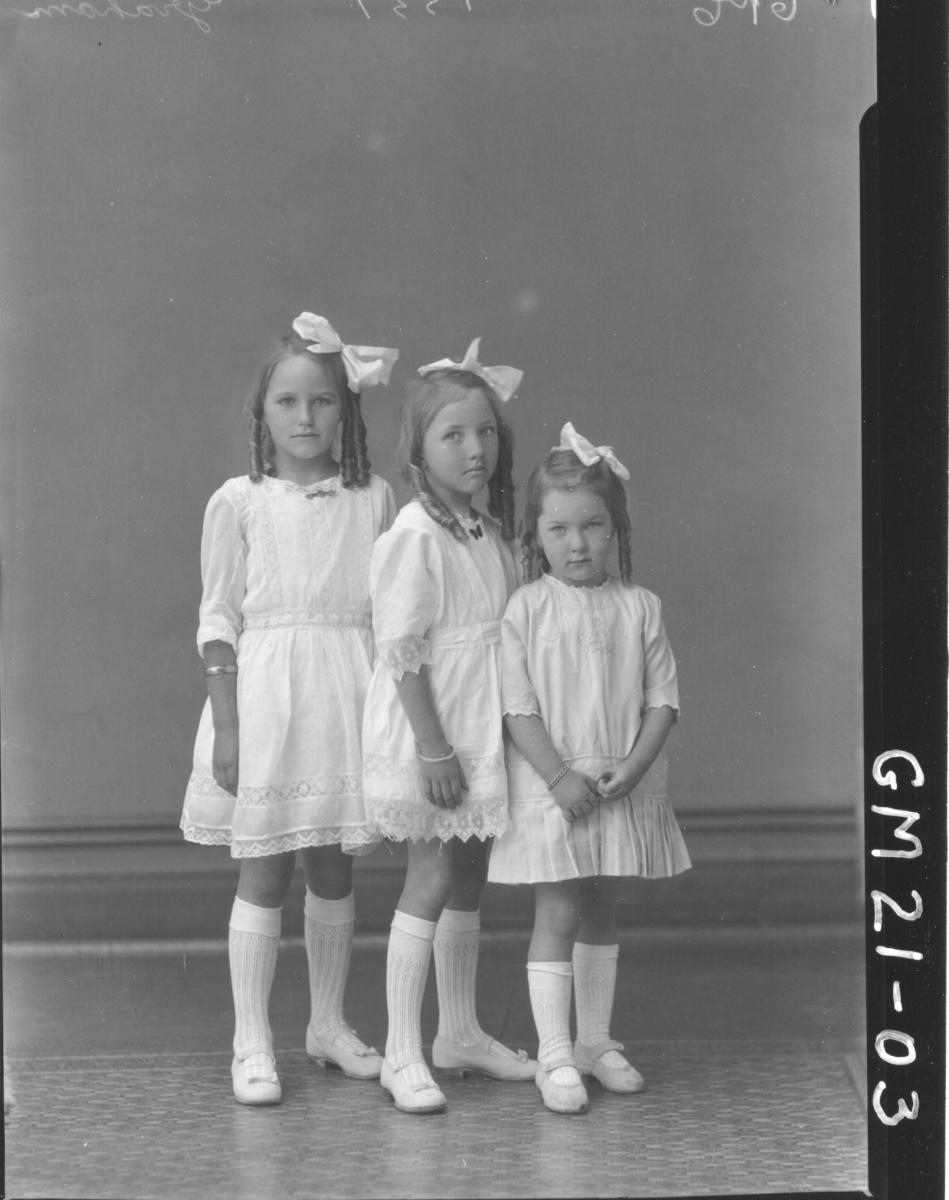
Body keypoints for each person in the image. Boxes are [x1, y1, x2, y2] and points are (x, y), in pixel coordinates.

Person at [180, 312, 399, 1106]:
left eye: (322, 401)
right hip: (267, 701)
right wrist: (229, 724)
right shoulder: (238, 502)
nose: (305, 418)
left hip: (346, 695)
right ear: (261, 413)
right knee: (265, 868)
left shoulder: (373, 498)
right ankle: (251, 1040)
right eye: (287, 402)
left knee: (334, 866)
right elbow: (217, 619)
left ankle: (328, 1024)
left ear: (346, 410)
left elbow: (389, 612)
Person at [487, 422, 691, 1115]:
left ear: (615, 529)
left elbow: (662, 700)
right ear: (536, 535)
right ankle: (552, 1054)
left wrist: (632, 769)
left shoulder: (640, 607)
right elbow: (517, 709)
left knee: (601, 905)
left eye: (592, 526)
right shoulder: (526, 609)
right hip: (555, 785)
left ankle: (594, 1042)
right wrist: (557, 778)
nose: (576, 544)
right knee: (559, 907)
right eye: (559, 529)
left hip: (618, 782)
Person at [362, 339, 536, 1114]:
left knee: (468, 875)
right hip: (431, 733)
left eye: (485, 432)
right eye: (453, 434)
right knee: (430, 876)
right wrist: (433, 748)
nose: (474, 449)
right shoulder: (414, 535)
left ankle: (458, 1032)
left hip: (478, 729)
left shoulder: (484, 530)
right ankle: (401, 1050)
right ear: (418, 449)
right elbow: (402, 652)